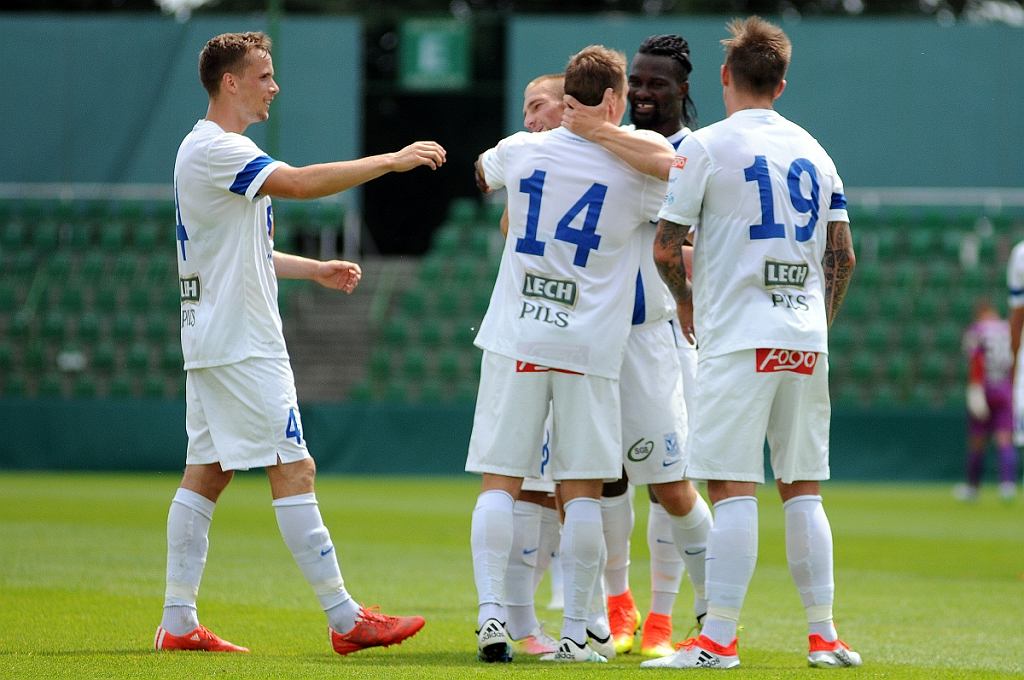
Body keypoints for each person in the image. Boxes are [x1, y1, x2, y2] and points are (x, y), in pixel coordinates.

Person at [155, 31, 446, 656]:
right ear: (230, 82)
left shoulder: (207, 150)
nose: (274, 86)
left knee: (206, 474)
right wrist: (389, 162)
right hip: (241, 341)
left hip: (213, 336)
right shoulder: (218, 149)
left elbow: (241, 250)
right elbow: (304, 182)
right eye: (263, 75)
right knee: (295, 465)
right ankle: (345, 619)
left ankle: (178, 621)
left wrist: (313, 269)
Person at [637, 16, 862, 669]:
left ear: (725, 76)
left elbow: (663, 245)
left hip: (738, 334)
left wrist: (686, 304)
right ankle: (824, 636)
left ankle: (718, 639)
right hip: (803, 336)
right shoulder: (817, 152)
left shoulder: (706, 146)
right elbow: (842, 258)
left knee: (732, 487)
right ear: (783, 84)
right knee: (804, 487)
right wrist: (816, 323)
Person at [468, 45, 672, 664]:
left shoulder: (523, 149)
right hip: (587, 347)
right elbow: (678, 167)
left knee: (500, 483)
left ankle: (491, 620)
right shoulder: (633, 172)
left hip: (517, 335)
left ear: (565, 100)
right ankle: (582, 630)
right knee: (581, 492)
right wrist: (606, 133)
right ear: (613, 99)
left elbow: (480, 172)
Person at [595, 34, 712, 659]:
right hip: (596, 336)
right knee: (605, 476)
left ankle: (684, 616)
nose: (642, 93)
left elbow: (691, 234)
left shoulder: (693, 150)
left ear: (682, 89)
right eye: (634, 82)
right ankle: (620, 608)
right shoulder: (606, 144)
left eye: (655, 84)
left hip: (658, 337)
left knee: (669, 482)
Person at [958, 298, 1018, 501]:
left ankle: (973, 488)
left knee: (977, 441)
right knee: (1004, 439)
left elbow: (976, 359)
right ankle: (1007, 485)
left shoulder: (977, 329)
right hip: (1004, 386)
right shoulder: (1007, 328)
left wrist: (975, 389)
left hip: (985, 387)